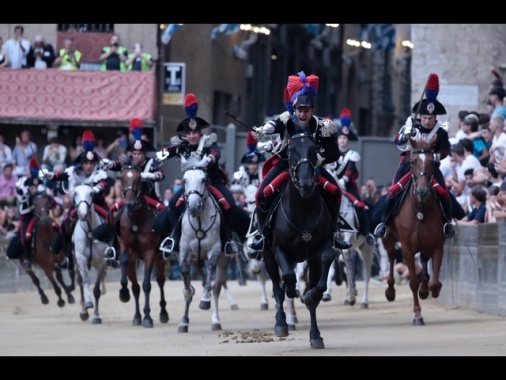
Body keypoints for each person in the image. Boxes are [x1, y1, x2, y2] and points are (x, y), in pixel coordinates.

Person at [248, 70, 351, 252]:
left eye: (306, 111)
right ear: (294, 109)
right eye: (300, 110)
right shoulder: (286, 120)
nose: (303, 114)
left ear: (312, 111)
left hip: (312, 168)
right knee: (260, 195)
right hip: (285, 165)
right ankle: (263, 234)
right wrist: (262, 130)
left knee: (336, 193)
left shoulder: (323, 126)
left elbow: (334, 152)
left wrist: (317, 159)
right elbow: (273, 125)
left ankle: (334, 233)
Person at [373, 73, 462, 239]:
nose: (427, 121)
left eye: (430, 118)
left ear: (435, 117)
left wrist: (434, 157)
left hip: (430, 168)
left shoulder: (441, 131)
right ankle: (383, 223)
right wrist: (405, 135)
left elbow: (444, 150)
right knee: (393, 191)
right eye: (425, 118)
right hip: (408, 165)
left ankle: (447, 224)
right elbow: (397, 143)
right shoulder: (410, 125)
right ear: (420, 116)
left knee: (443, 192)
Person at [154, 93, 239, 256]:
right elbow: (168, 151)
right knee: (173, 203)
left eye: (195, 133)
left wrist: (209, 159)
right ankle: (174, 237)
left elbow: (216, 153)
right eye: (189, 133)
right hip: (190, 187)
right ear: (186, 134)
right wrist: (158, 157)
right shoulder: (182, 145)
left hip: (212, 183)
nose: (192, 136)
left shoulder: (208, 142)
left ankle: (227, 239)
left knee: (229, 203)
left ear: (200, 133)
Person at [39, 130, 112, 268]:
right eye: (86, 163)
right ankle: (68, 257)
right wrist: (47, 175)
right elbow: (59, 176)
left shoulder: (100, 172)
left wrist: (94, 190)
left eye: (91, 163)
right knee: (64, 225)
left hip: (97, 204)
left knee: (112, 220)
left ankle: (114, 252)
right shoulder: (74, 171)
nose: (89, 166)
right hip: (80, 205)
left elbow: (103, 184)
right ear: (82, 164)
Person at [103, 117, 166, 259]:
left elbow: (161, 175)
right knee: (112, 212)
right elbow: (115, 165)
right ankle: (113, 245)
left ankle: (166, 244)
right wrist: (106, 164)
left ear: (144, 154)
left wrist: (146, 175)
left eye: (140, 154)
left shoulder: (151, 163)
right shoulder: (128, 163)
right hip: (130, 199)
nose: (137, 156)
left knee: (166, 213)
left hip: (149, 198)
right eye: (135, 153)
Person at [8, 158, 64, 270]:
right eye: (33, 186)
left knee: (57, 227)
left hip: (39, 215)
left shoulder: (40, 184)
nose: (35, 188)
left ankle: (65, 252)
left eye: (36, 186)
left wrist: (55, 204)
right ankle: (28, 258)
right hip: (27, 216)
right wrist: (31, 193)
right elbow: (22, 197)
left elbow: (47, 198)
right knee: (27, 236)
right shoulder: (21, 184)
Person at [326, 124, 375, 245]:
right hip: (332, 186)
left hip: (347, 187)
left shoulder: (352, 154)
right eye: (340, 138)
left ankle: (367, 232)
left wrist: (343, 181)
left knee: (360, 206)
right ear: (337, 140)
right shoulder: (331, 154)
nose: (342, 140)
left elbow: (350, 169)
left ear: (348, 141)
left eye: (345, 138)